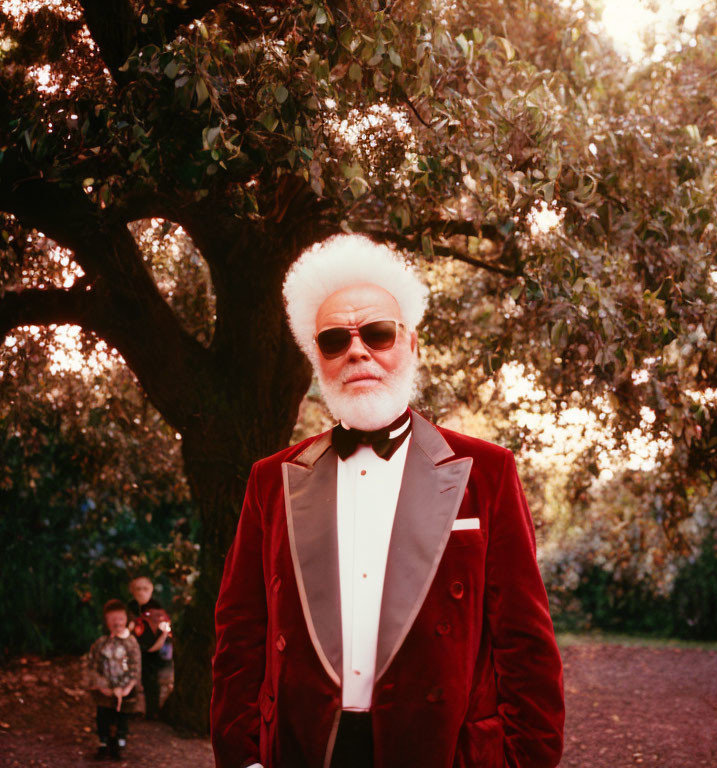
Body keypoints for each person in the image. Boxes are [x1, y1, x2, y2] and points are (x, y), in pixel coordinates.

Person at [210, 234, 565, 768]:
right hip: (305, 749)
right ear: (318, 359)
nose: (357, 350)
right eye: (334, 340)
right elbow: (239, 637)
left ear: (412, 344)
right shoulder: (272, 480)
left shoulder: (487, 472)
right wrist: (244, 761)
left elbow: (526, 646)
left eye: (377, 333)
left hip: (443, 750)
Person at [87, 598, 144, 760]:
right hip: (105, 689)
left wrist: (125, 688)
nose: (117, 622)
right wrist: (101, 685)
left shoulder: (131, 643)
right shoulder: (101, 643)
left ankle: (120, 744)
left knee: (122, 718)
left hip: (125, 690)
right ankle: (103, 743)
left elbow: (135, 667)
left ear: (126, 619)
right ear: (106, 621)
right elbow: (93, 665)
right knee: (103, 716)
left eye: (120, 618)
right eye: (112, 619)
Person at [127, 575, 171, 719]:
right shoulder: (130, 607)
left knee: (151, 680)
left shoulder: (157, 607)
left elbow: (164, 627)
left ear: (151, 590)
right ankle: (131, 710)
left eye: (145, 589)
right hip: (133, 648)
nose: (141, 592)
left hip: (152, 649)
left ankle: (152, 712)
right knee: (130, 678)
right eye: (138, 589)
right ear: (132, 591)